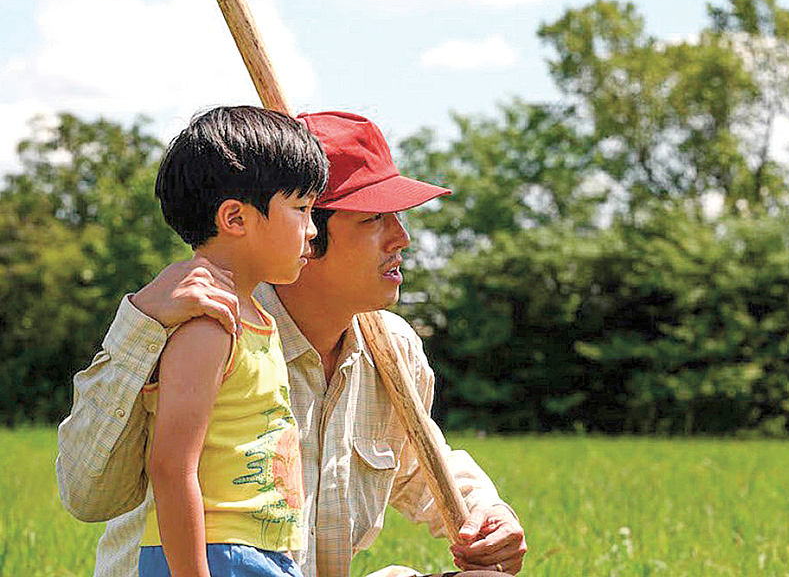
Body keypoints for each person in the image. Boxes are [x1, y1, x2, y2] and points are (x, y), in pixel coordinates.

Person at [57, 111, 527, 577]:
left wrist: (488, 514)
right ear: (311, 230)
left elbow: (420, 465)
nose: (401, 238)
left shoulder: (394, 350)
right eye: (374, 219)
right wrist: (140, 324)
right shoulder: (204, 321)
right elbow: (87, 493)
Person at [137, 105, 325, 576]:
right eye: (301, 209)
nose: (313, 229)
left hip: (257, 553)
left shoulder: (257, 317)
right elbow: (171, 467)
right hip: (215, 553)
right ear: (235, 218)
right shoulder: (208, 325)